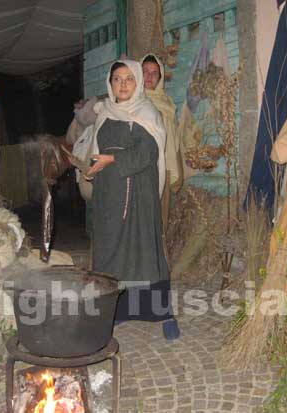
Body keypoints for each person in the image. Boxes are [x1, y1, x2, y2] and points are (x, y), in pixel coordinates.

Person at [86, 59, 180, 340]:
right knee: (111, 254)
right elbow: (95, 150)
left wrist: (112, 158)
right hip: (109, 197)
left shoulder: (147, 113)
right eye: (117, 79)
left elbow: (147, 154)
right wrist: (92, 168)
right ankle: (118, 312)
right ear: (110, 83)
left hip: (139, 196)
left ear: (138, 82)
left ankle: (163, 314)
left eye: (129, 79)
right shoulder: (103, 114)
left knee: (145, 253)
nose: (123, 84)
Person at [141, 54, 183, 231]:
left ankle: (157, 257)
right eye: (145, 72)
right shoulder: (130, 101)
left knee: (158, 219)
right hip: (138, 169)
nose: (150, 77)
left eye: (155, 73)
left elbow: (174, 139)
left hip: (162, 168)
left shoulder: (166, 102)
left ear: (160, 78)